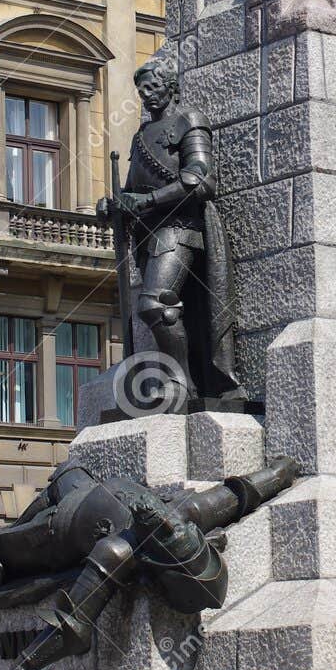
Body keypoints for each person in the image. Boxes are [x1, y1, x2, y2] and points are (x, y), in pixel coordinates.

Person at [0, 455, 299, 670]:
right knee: (68, 470)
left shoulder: (117, 552)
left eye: (160, 524)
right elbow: (240, 493)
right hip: (79, 487)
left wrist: (25, 667)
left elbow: (74, 626)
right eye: (166, 518)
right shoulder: (183, 516)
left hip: (49, 536)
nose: (157, 512)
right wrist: (283, 471)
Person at [98, 57, 244, 413]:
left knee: (155, 303)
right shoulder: (140, 136)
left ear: (170, 86)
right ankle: (180, 382)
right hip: (151, 234)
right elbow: (132, 189)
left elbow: (201, 179)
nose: (147, 95)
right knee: (153, 306)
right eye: (142, 90)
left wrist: (145, 200)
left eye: (153, 87)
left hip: (182, 229)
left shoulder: (189, 122)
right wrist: (113, 205)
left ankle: (182, 384)